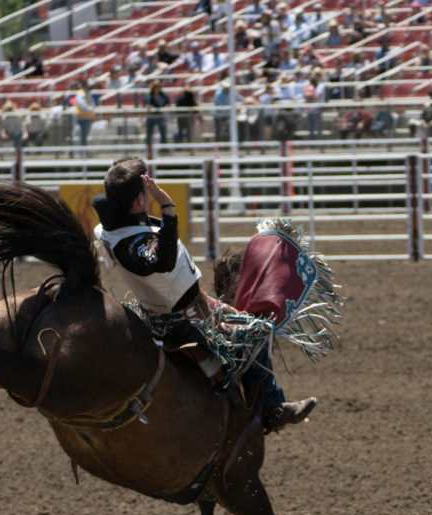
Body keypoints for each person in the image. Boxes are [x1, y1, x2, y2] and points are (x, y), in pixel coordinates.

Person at [90, 157, 317, 431]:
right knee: (257, 332)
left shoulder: (114, 230)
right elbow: (162, 260)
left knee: (240, 320)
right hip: (181, 321)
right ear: (140, 198)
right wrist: (167, 207)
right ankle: (272, 407)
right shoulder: (132, 243)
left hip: (173, 307)